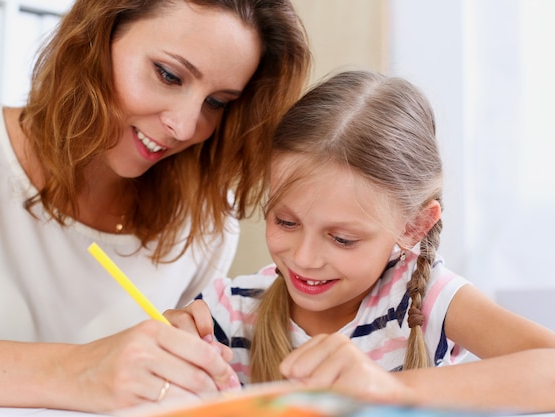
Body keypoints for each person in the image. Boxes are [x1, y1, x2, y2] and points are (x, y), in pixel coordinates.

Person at [0, 0, 311, 412]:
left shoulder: (204, 226)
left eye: (216, 102)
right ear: (97, 35)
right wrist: (77, 372)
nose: (185, 126)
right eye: (168, 75)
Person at [180, 69, 555, 411]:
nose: (304, 257)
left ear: (413, 227)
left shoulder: (421, 299)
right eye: (285, 221)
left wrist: (390, 388)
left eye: (342, 239)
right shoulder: (228, 313)